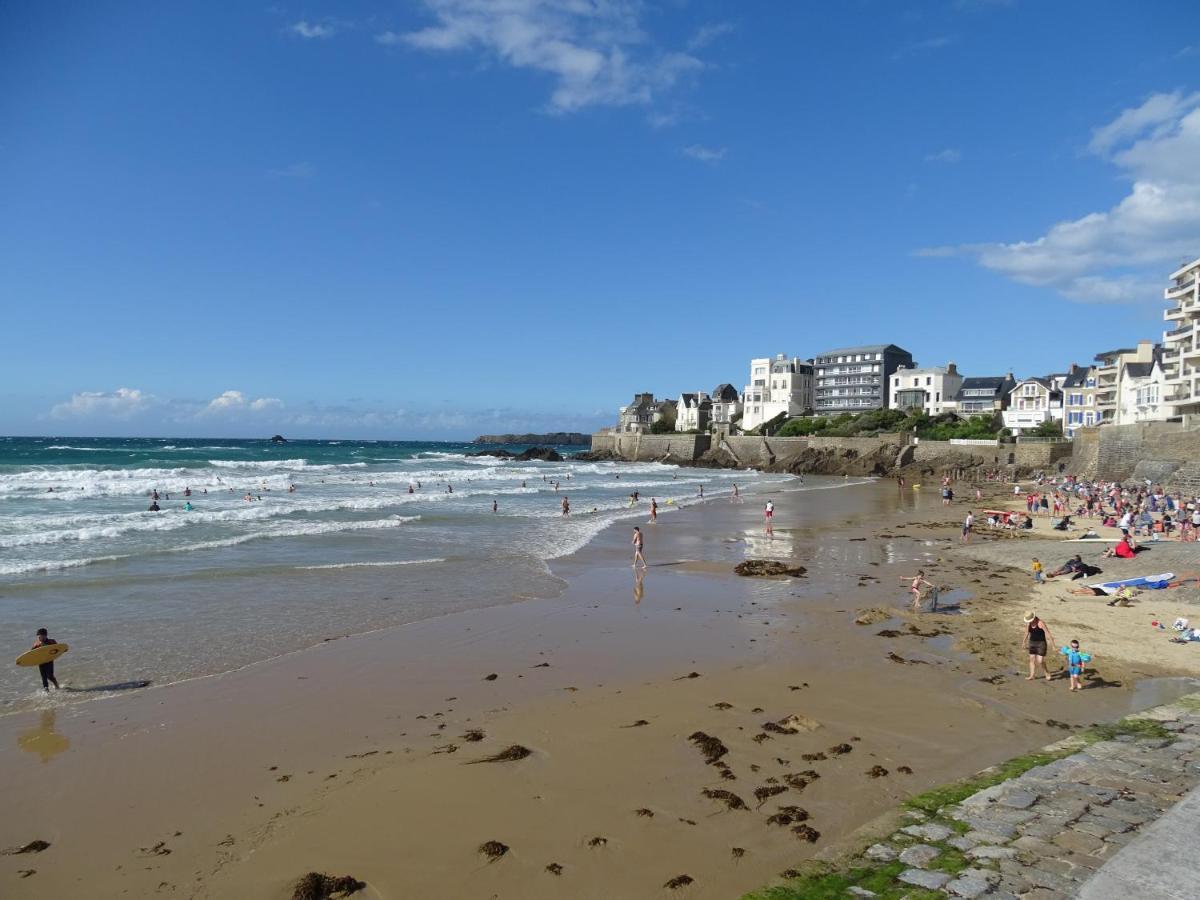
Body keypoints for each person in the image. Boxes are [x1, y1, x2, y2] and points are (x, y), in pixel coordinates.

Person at [1022, 612, 1055, 681]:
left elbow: (1048, 634)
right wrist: (1024, 641)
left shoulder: (1040, 623)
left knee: (1040, 661)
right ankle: (1032, 675)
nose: (1029, 622)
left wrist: (1053, 646)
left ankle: (1047, 672)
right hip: (1032, 643)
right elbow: (1026, 632)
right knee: (1032, 659)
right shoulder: (1029, 623)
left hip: (1041, 643)